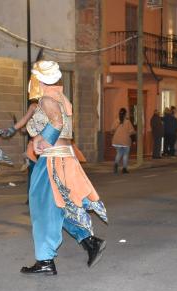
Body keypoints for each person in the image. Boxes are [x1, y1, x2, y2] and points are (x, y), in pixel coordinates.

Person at [20, 61, 107, 275]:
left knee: (42, 209)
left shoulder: (48, 98)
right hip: (62, 158)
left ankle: (46, 261)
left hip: (53, 161)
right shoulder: (60, 97)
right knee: (61, 206)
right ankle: (89, 243)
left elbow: (57, 123)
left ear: (38, 79)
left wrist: (41, 139)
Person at [111, 108, 135, 174]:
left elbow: (112, 130)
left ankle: (116, 164)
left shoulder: (116, 121)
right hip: (125, 141)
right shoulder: (127, 122)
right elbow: (131, 131)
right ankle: (124, 168)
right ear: (125, 114)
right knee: (125, 155)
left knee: (119, 153)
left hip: (116, 141)